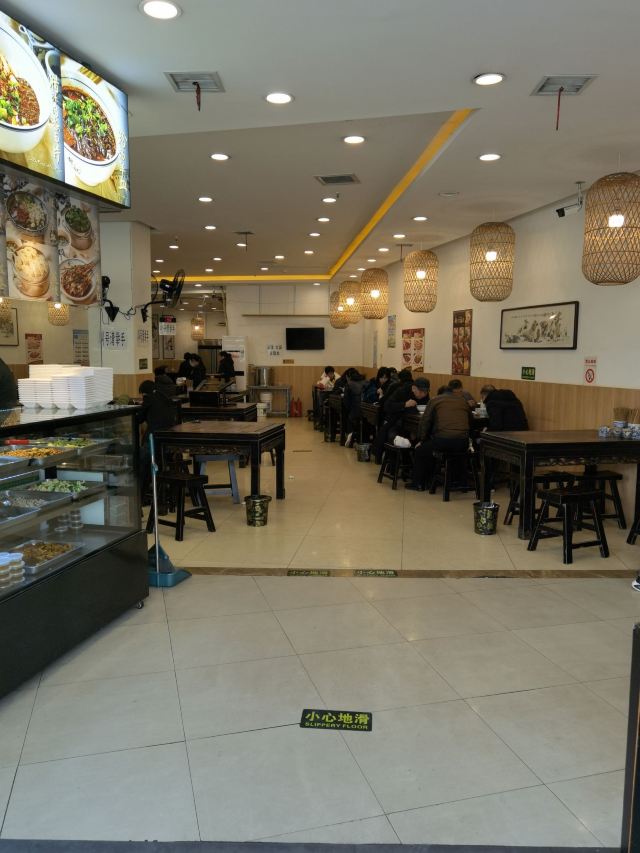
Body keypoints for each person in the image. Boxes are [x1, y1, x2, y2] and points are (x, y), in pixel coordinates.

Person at [406, 387, 472, 491]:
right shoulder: (463, 401)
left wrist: (422, 441)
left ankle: (418, 483)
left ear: (439, 394)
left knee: (420, 451)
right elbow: (470, 420)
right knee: (454, 453)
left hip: (443, 441)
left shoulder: (435, 400)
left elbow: (425, 422)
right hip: (463, 442)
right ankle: (458, 481)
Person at [137, 379, 179, 503]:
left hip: (154, 440)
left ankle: (141, 497)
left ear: (144, 393)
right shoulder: (165, 397)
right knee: (158, 464)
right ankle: (163, 494)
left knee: (142, 464)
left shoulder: (149, 399)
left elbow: (139, 419)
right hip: (168, 442)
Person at [373, 372, 429, 462]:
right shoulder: (402, 391)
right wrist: (404, 404)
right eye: (421, 392)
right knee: (393, 433)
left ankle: (411, 463)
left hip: (414, 423)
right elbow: (387, 406)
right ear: (413, 388)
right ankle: (393, 460)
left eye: (425, 392)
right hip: (395, 421)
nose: (423, 394)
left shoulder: (424, 396)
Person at [343, 370, 367, 446]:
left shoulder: (349, 384)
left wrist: (348, 410)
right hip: (367, 410)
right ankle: (361, 439)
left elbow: (346, 401)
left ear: (349, 377)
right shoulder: (366, 382)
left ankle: (350, 437)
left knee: (348, 417)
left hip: (355, 410)